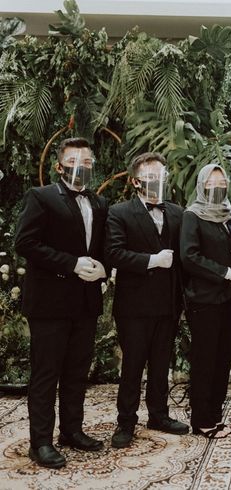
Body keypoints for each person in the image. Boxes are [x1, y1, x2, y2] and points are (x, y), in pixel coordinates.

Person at [15, 137, 108, 468]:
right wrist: (70, 263)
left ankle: (72, 431)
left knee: (76, 372)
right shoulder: (41, 198)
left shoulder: (99, 203)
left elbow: (103, 249)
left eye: (86, 160)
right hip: (49, 304)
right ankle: (40, 442)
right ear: (59, 166)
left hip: (85, 303)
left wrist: (102, 269)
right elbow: (25, 242)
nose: (80, 165)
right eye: (73, 160)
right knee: (46, 374)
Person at [105, 152, 189, 448]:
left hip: (167, 304)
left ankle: (159, 415)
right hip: (134, 306)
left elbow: (186, 257)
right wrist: (151, 260)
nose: (158, 181)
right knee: (133, 365)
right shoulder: (119, 212)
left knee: (160, 364)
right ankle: (125, 422)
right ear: (135, 181)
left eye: (162, 176)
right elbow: (113, 253)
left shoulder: (178, 213)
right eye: (151, 177)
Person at [180, 163, 231, 439]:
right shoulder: (193, 215)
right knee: (205, 359)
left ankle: (216, 414)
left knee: (222, 358)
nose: (217, 187)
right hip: (203, 298)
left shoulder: (229, 215)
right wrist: (224, 273)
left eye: (222, 182)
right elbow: (189, 256)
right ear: (202, 185)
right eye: (211, 183)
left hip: (227, 298)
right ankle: (201, 419)